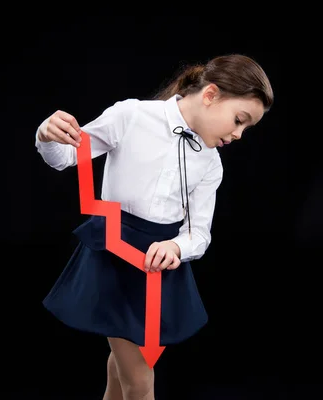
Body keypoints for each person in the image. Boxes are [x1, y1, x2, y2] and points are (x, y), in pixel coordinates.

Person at [35, 54, 273, 399]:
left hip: (158, 265)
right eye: (239, 120)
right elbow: (67, 157)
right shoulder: (131, 116)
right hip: (114, 255)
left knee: (120, 371)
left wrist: (177, 246)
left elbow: (199, 233)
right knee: (140, 381)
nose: (238, 134)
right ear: (210, 95)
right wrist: (47, 134)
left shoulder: (210, 165)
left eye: (246, 128)